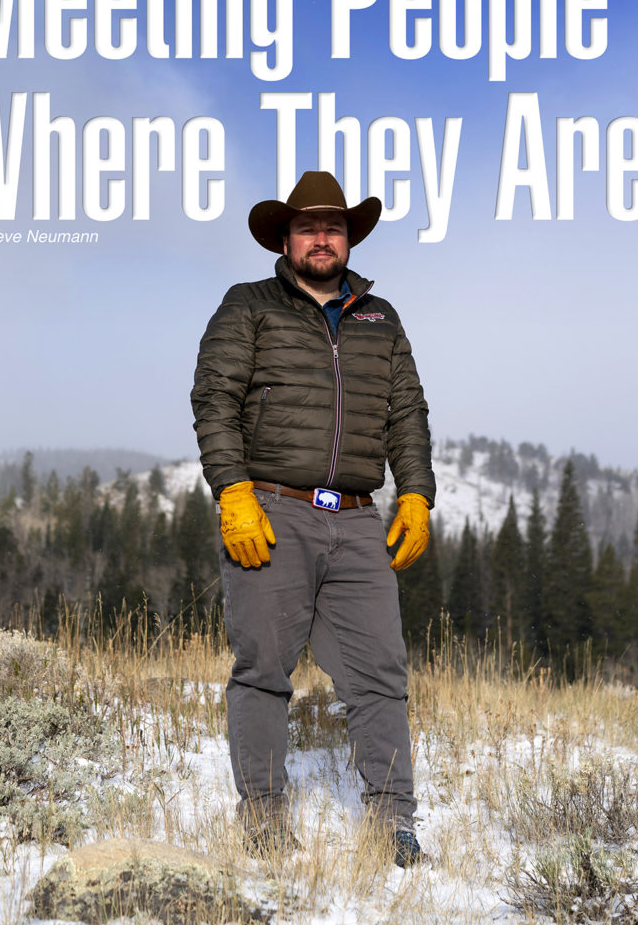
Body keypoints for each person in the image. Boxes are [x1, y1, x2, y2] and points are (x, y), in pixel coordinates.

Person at [191, 170, 435, 867]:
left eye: (333, 227)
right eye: (307, 228)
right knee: (264, 669)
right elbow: (215, 399)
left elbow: (407, 414)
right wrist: (231, 490)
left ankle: (393, 823)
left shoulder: (379, 318)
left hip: (360, 520)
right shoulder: (249, 306)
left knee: (381, 674)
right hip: (271, 510)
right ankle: (265, 819)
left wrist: (416, 493)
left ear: (349, 238)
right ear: (286, 239)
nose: (321, 238)